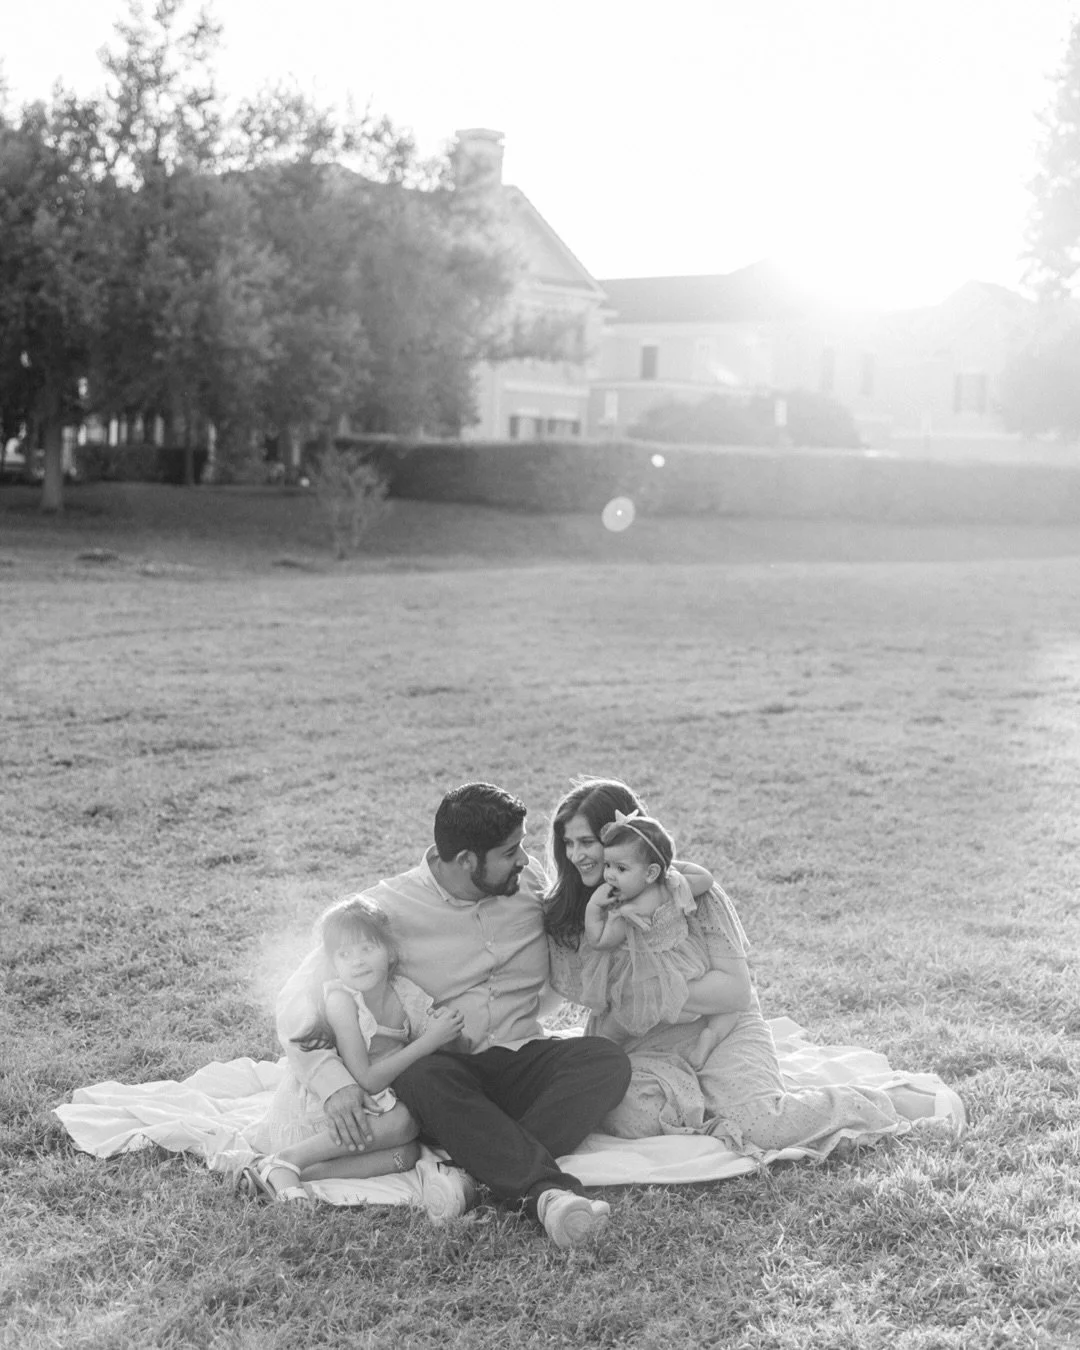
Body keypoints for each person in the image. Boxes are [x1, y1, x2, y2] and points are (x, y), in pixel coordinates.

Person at [275, 783, 631, 1248]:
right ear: (466, 860)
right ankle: (546, 1194)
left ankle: (467, 1172)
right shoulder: (388, 908)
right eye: (510, 851)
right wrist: (333, 1082)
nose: (525, 859)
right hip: (448, 1075)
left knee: (605, 1062)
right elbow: (297, 997)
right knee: (424, 1075)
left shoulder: (526, 884)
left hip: (521, 1057)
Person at [546, 778, 927, 1156]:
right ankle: (706, 1102)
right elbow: (600, 1010)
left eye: (586, 842)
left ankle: (877, 1103)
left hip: (720, 1023)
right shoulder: (575, 916)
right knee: (629, 1117)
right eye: (568, 843)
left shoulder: (684, 892)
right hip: (641, 1041)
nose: (577, 855)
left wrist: (651, 993)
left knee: (763, 1124)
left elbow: (734, 991)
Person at [243, 896, 470, 1218]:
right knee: (404, 1122)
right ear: (333, 963)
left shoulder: (403, 991)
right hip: (334, 1106)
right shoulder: (342, 1000)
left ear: (390, 951)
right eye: (344, 954)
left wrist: (444, 1030)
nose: (357, 961)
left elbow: (433, 1033)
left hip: (377, 1102)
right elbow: (364, 1078)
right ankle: (289, 1158)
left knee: (405, 1154)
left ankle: (282, 1172)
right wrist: (429, 1041)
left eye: (367, 948)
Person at [579, 810, 735, 1067]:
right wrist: (669, 867)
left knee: (614, 1026)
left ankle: (596, 1054)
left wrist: (594, 909)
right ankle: (712, 1034)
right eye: (608, 865)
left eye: (620, 868)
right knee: (729, 1010)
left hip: (645, 984)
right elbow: (706, 878)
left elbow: (600, 941)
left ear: (650, 872)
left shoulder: (628, 909)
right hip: (689, 968)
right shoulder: (673, 886)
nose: (609, 875)